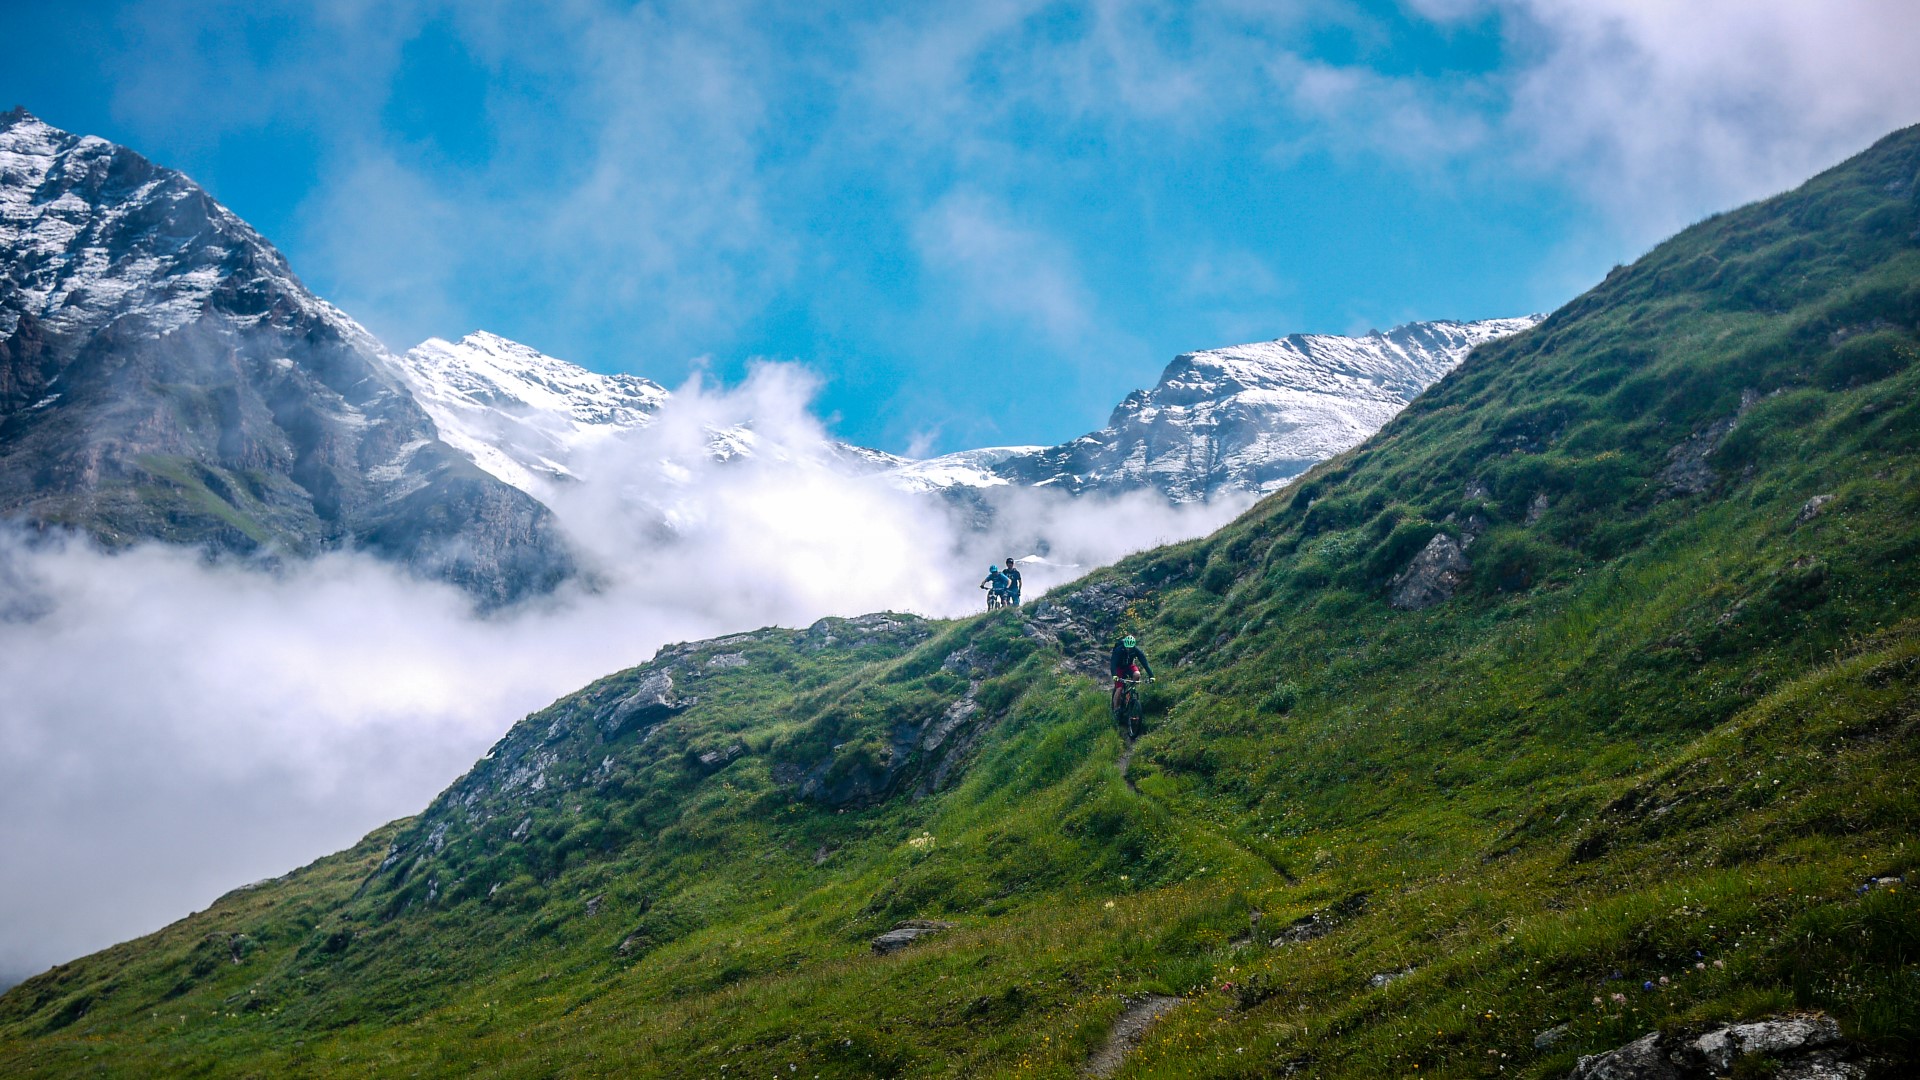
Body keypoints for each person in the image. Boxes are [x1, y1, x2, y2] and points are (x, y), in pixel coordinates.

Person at [1110, 633, 1154, 716]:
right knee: (1119, 688)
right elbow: (1113, 664)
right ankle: (1116, 709)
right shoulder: (1118, 650)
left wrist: (1151, 676)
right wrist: (1114, 675)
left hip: (1129, 666)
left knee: (1137, 674)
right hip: (1119, 668)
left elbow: (1145, 663)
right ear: (1124, 645)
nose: (1129, 649)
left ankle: (1130, 691)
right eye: (1127, 647)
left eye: (1131, 647)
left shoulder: (1136, 650)